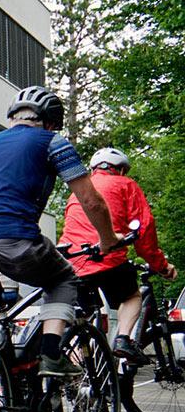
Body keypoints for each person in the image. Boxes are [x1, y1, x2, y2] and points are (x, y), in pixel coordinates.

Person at [0, 86, 120, 378]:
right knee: (63, 278)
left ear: (13, 116)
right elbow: (91, 200)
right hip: (12, 240)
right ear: (49, 121)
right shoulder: (52, 142)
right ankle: (51, 355)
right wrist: (108, 239)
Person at [59, 147, 176, 360]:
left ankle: (76, 374)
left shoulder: (78, 190)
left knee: (82, 322)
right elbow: (144, 229)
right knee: (131, 296)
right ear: (121, 170)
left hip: (72, 261)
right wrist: (161, 266)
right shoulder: (126, 185)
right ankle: (123, 340)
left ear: (94, 169)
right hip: (106, 256)